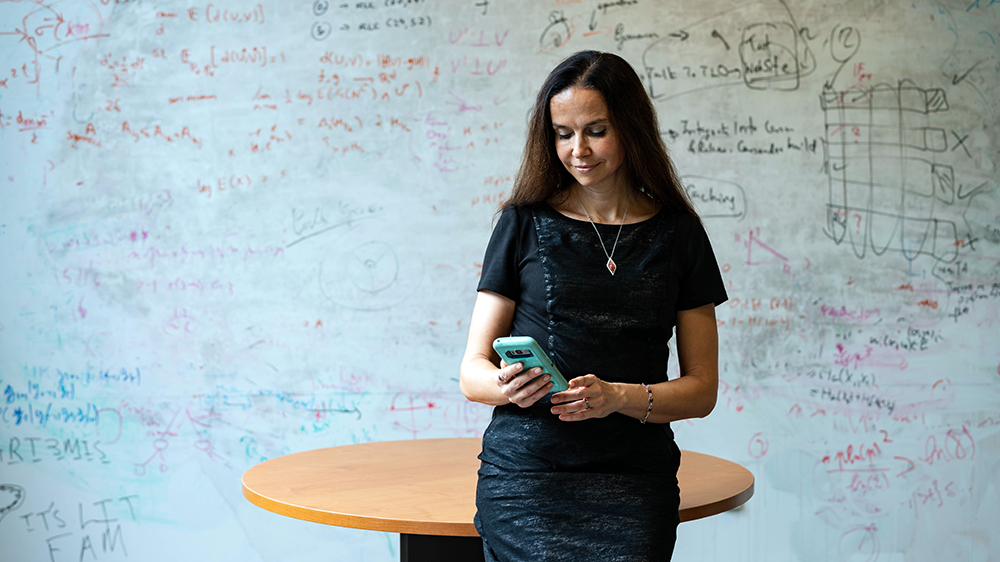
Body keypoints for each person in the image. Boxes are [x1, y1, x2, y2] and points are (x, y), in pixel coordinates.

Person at [459, 50, 728, 562]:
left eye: (596, 130)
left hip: (633, 479)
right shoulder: (521, 223)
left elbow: (702, 391)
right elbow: (472, 373)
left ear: (630, 127)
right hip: (527, 478)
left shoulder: (680, 233)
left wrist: (617, 397)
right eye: (563, 133)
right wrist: (506, 386)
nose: (577, 149)